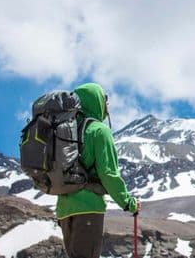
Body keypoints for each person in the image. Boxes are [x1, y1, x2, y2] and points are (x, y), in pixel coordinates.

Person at [56, 83, 140, 258]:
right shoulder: (99, 131)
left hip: (64, 210)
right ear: (95, 101)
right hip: (88, 207)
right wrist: (128, 203)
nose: (107, 105)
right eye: (105, 99)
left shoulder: (65, 131)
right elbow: (108, 174)